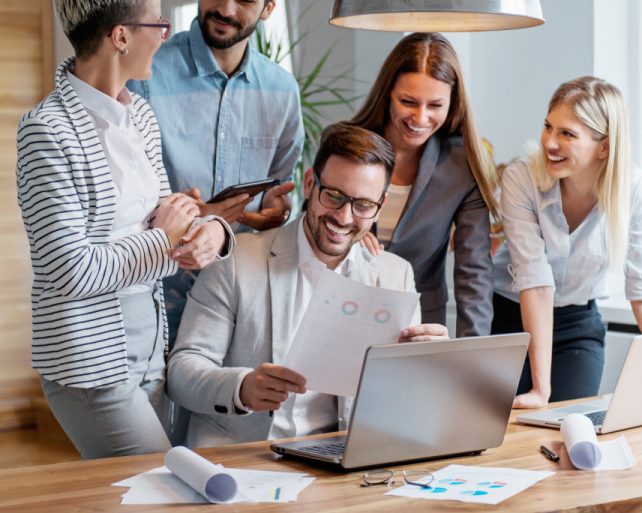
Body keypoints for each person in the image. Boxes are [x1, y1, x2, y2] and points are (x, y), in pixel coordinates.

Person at [15, 0, 233, 459]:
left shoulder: (141, 117)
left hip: (152, 345)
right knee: (161, 483)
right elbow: (69, 270)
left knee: (142, 496)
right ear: (121, 37)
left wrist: (212, 229)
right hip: (88, 360)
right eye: (159, 24)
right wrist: (165, 239)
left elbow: (169, 214)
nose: (165, 36)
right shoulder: (46, 130)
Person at [167, 123, 449, 448]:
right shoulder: (237, 259)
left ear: (379, 207)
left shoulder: (394, 275)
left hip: (340, 465)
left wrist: (428, 363)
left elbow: (403, 399)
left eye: (363, 205)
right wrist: (242, 387)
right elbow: (182, 373)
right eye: (334, 196)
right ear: (310, 183)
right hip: (241, 460)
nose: (344, 217)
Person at [491, 76, 642, 410]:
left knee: (574, 427)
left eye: (567, 134)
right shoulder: (521, 177)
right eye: (548, 126)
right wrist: (541, 389)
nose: (549, 142)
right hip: (512, 318)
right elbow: (535, 283)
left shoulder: (636, 191)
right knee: (509, 432)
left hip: (577, 324)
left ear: (604, 146)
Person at [127, 0, 303, 346]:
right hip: (156, 294)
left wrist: (277, 210)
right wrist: (187, 216)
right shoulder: (146, 72)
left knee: (225, 399)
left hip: (239, 301)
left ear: (268, 8)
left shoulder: (282, 91)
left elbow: (280, 187)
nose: (225, 8)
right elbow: (121, 195)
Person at [348, 32, 495, 338]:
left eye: (435, 105)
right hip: (343, 304)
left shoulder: (462, 164)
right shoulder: (345, 145)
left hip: (419, 320)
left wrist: (472, 354)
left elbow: (474, 272)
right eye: (408, 102)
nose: (421, 117)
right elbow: (314, 225)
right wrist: (345, 232)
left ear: (453, 103)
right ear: (388, 92)